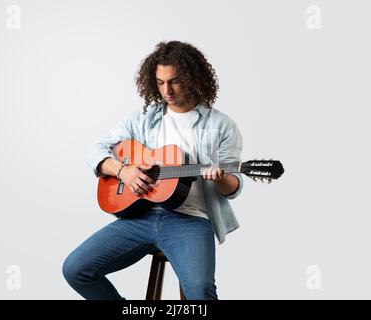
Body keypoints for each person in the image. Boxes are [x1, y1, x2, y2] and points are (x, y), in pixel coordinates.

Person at [63, 41, 244, 300]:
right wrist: (123, 170)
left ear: (194, 78)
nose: (166, 90)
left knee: (200, 292)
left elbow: (233, 187)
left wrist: (221, 178)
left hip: (191, 220)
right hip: (139, 217)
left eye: (175, 81)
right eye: (160, 82)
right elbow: (95, 149)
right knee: (75, 269)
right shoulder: (143, 117)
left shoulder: (222, 125)